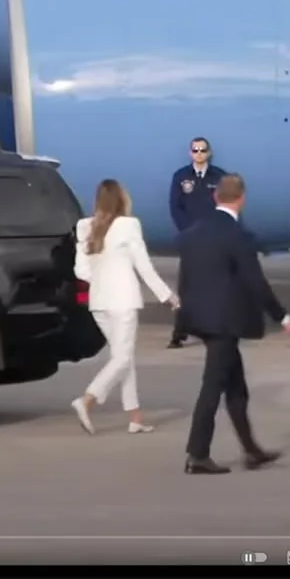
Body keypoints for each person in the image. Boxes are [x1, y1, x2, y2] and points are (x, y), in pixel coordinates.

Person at [175, 173, 290, 475]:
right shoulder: (238, 236)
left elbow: (185, 280)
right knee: (212, 388)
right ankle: (197, 454)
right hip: (225, 324)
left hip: (203, 320)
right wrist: (281, 315)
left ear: (216, 197)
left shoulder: (194, 232)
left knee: (236, 387)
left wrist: (183, 321)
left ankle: (251, 451)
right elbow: (256, 282)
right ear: (242, 199)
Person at [70, 179, 176, 435]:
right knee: (122, 358)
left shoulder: (85, 227)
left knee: (122, 358)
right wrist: (167, 295)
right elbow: (143, 266)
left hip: (99, 303)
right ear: (121, 199)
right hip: (123, 301)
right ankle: (87, 399)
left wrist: (102, 278)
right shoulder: (129, 225)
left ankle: (135, 417)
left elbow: (81, 271)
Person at [166, 137, 227, 349]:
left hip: (214, 239)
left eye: (202, 150)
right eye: (195, 150)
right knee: (187, 288)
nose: (199, 154)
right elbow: (176, 207)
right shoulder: (181, 177)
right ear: (190, 153)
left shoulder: (219, 177)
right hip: (192, 240)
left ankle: (215, 330)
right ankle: (179, 333)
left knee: (215, 287)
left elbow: (226, 205)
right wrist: (189, 232)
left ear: (208, 153)